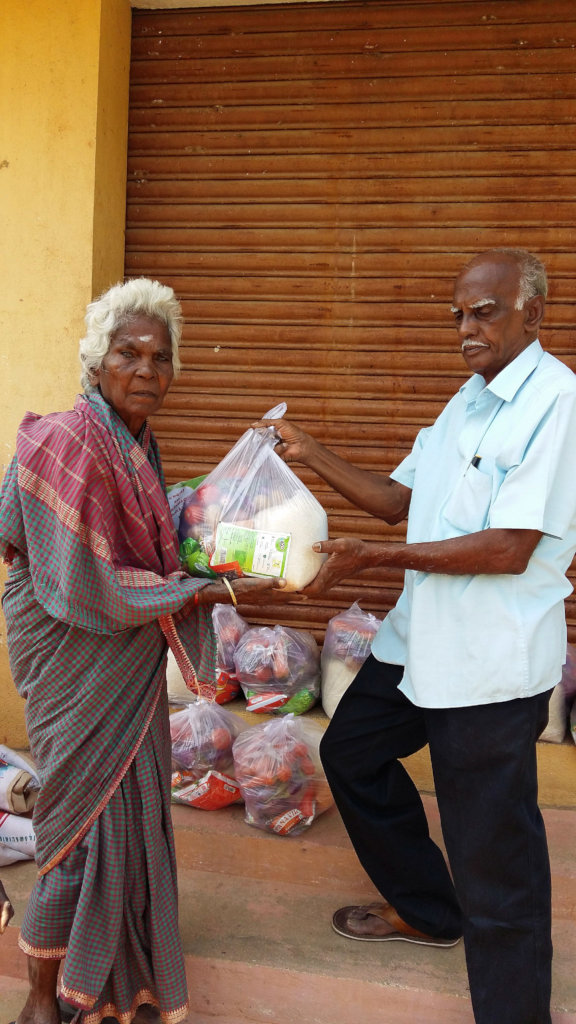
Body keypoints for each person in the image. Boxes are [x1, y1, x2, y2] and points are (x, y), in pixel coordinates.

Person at [256, 248, 576, 1024]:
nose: (466, 329)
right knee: (351, 752)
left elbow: (508, 547)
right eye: (458, 315)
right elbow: (398, 498)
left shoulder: (556, 401)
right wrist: (310, 454)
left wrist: (375, 559)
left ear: (531, 313)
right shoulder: (466, 400)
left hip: (488, 666)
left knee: (493, 858)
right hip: (417, 643)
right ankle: (431, 911)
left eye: (484, 312)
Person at [0, 278, 283, 1024]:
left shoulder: (135, 447)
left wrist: (234, 493)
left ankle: (97, 985)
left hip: (119, 658)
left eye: (161, 357)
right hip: (71, 650)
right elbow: (88, 580)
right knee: (73, 826)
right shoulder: (66, 439)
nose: (146, 369)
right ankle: (36, 1001)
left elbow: (155, 532)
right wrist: (207, 588)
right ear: (96, 361)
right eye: (129, 352)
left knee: (119, 817)